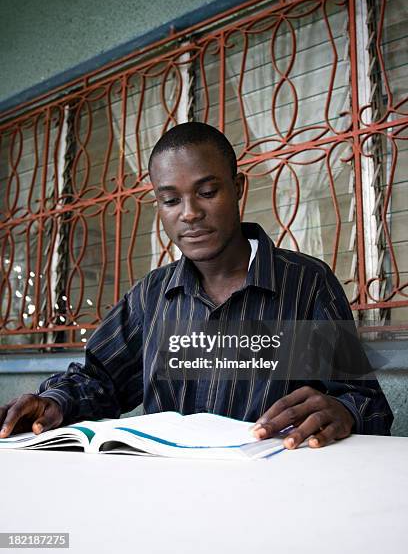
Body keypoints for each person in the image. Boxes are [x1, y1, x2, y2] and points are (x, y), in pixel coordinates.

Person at [0, 122, 393, 448]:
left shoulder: (305, 285)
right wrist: (53, 401)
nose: (190, 213)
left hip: (275, 497)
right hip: (169, 496)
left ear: (238, 189)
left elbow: (366, 403)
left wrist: (342, 412)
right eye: (171, 200)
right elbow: (98, 380)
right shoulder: (151, 297)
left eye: (207, 192)